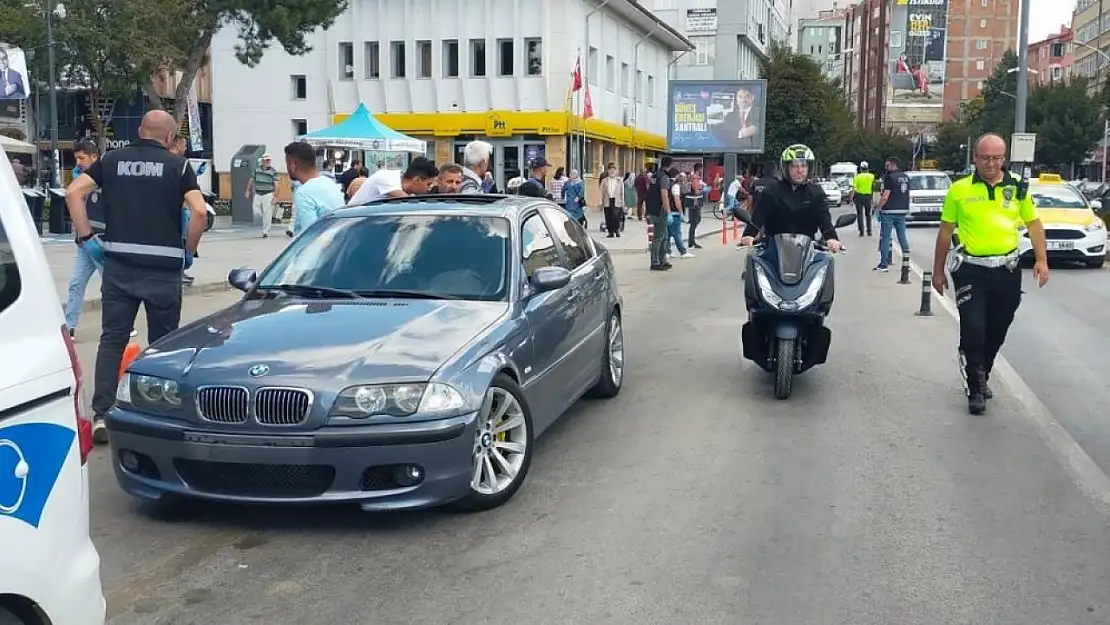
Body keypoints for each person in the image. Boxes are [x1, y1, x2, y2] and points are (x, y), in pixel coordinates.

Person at [65, 110, 207, 444]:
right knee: (163, 345)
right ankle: (158, 412)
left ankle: (102, 413)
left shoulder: (112, 160)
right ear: (170, 139)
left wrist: (88, 239)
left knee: (112, 339)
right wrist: (188, 249)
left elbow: (74, 193)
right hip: (164, 268)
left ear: (140, 130)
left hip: (119, 265)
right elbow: (199, 211)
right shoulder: (179, 166)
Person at [931, 133, 1049, 415]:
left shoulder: (1018, 188)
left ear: (1004, 158)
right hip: (970, 269)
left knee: (997, 329)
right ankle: (976, 388)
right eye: (985, 158)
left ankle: (982, 370)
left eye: (996, 158)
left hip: (1007, 270)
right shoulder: (959, 190)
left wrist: (1041, 260)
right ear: (975, 158)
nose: (991, 164)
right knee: (973, 329)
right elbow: (945, 233)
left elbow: (1034, 225)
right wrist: (937, 272)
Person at [738, 144, 843, 254]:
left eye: (804, 165)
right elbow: (758, 217)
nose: (800, 170)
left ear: (809, 168)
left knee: (826, 262)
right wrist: (749, 235)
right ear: (785, 167)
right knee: (753, 262)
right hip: (773, 251)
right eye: (794, 166)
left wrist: (832, 239)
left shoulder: (816, 192)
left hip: (807, 252)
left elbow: (824, 219)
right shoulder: (772, 191)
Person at [62, 139, 105, 336]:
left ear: (94, 157)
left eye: (82, 158)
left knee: (111, 289)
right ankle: (70, 326)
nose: (79, 162)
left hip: (102, 242)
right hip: (84, 244)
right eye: (76, 158)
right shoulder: (81, 180)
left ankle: (120, 325)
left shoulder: (106, 177)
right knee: (76, 283)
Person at [285, 141, 346, 237]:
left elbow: (309, 236)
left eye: (287, 164)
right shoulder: (330, 183)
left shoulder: (304, 193)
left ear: (293, 165)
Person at [346, 156, 439, 205]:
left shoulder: (402, 185)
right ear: (417, 180)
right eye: (429, 184)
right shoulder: (387, 178)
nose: (429, 188)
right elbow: (410, 204)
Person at [875, 156, 911, 272]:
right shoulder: (906, 177)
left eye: (887, 165)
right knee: (902, 237)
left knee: (885, 238)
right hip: (902, 210)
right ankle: (906, 263)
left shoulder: (890, 178)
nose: (886, 168)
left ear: (893, 165)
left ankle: (884, 264)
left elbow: (885, 196)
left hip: (889, 211)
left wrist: (878, 208)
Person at [648, 156, 677, 271]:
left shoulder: (655, 175)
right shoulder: (664, 177)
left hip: (653, 208)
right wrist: (668, 211)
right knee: (659, 237)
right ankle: (655, 262)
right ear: (670, 165)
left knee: (664, 235)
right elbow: (664, 195)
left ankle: (662, 260)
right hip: (660, 210)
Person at [245, 153, 279, 237]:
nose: (268, 162)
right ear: (263, 161)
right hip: (258, 193)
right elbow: (251, 180)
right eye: (266, 160)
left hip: (268, 193)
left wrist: (275, 197)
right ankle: (262, 220)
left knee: (267, 213)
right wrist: (247, 190)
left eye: (269, 160)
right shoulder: (256, 170)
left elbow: (276, 185)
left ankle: (265, 231)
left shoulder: (273, 171)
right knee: (255, 210)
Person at [851, 161, 876, 237]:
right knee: (868, 215)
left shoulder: (857, 177)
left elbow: (854, 189)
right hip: (868, 197)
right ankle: (869, 231)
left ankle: (861, 231)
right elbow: (872, 187)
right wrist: (873, 198)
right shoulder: (871, 176)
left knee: (860, 214)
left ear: (860, 168)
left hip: (859, 197)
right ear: (867, 168)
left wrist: (851, 199)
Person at [600, 163, 624, 238]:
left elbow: (622, 192)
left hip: (617, 200)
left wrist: (623, 202)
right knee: (608, 217)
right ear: (608, 171)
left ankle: (617, 230)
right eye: (610, 169)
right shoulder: (604, 180)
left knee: (616, 216)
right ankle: (610, 232)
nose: (612, 171)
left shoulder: (619, 180)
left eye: (613, 169)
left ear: (616, 171)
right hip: (607, 200)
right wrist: (600, 202)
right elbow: (601, 192)